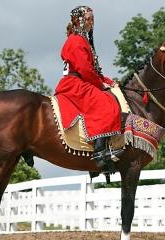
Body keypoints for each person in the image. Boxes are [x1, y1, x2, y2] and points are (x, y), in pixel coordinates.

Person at [54, 6, 123, 168]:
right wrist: (101, 85)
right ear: (79, 21)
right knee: (106, 102)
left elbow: (93, 71)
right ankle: (99, 151)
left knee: (109, 95)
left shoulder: (82, 39)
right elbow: (85, 70)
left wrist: (109, 82)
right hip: (75, 83)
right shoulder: (76, 40)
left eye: (92, 19)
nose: (91, 22)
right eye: (88, 19)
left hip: (82, 80)